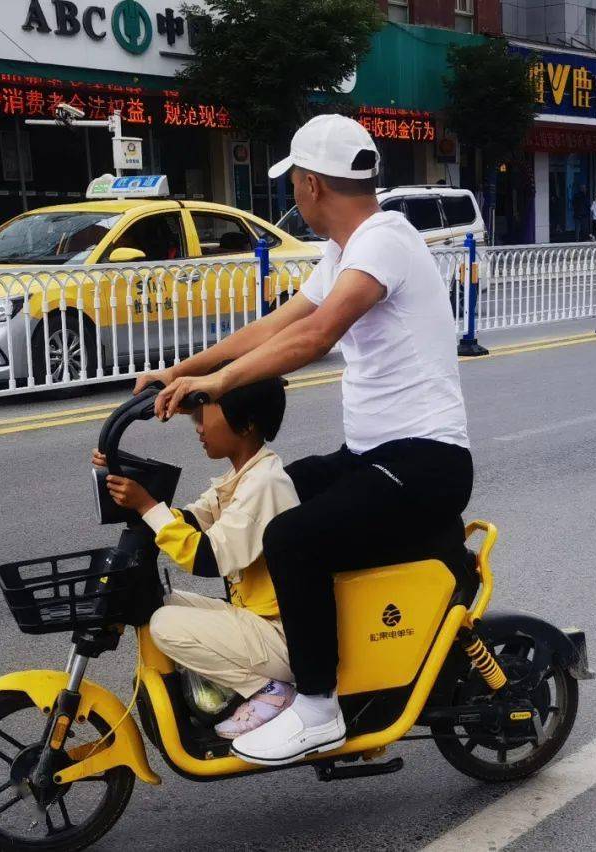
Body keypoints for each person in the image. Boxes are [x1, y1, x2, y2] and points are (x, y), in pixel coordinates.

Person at [137, 114, 473, 765]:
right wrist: (184, 371)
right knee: (277, 488)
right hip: (376, 458)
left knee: (292, 538)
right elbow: (275, 326)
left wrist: (219, 385)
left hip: (424, 464)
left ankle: (318, 708)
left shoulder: (385, 240)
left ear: (312, 183)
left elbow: (313, 339)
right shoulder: (347, 250)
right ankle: (281, 653)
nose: (293, 192)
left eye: (293, 181)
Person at [94, 374, 300, 739]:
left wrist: (146, 505)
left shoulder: (265, 484)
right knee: (163, 604)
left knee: (164, 626)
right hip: (257, 620)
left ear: (247, 424)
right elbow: (191, 520)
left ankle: (269, 691)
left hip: (281, 635)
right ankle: (238, 685)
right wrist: (128, 484)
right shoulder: (244, 475)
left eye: (206, 415)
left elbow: (207, 557)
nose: (199, 427)